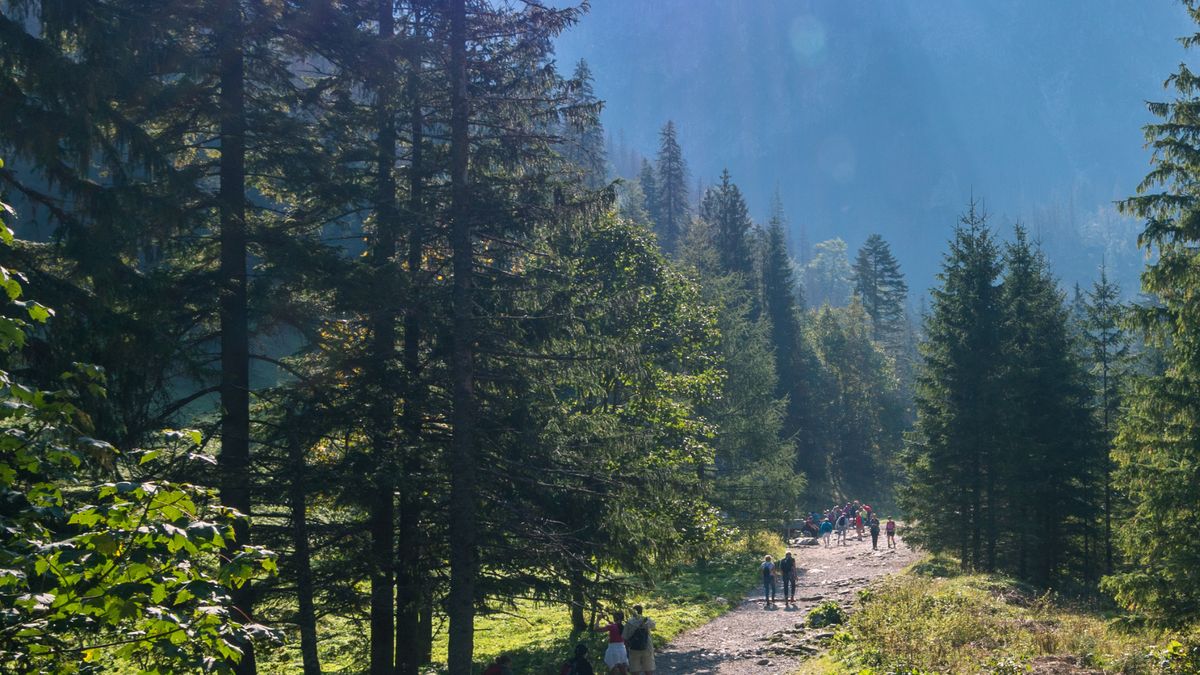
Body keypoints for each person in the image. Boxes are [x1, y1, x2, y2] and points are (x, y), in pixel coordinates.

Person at [622, 604, 656, 675]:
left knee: (635, 670)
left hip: (634, 648)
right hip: (647, 647)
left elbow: (624, 637)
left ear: (633, 612)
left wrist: (627, 650)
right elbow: (653, 626)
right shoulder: (646, 619)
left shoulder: (629, 622)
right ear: (641, 611)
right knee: (648, 670)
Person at [594, 610, 629, 675]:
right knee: (623, 671)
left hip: (613, 649)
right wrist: (608, 621)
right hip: (622, 649)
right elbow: (616, 626)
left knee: (614, 669)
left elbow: (596, 629)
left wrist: (598, 619)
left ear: (614, 618)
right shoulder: (624, 627)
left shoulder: (611, 627)